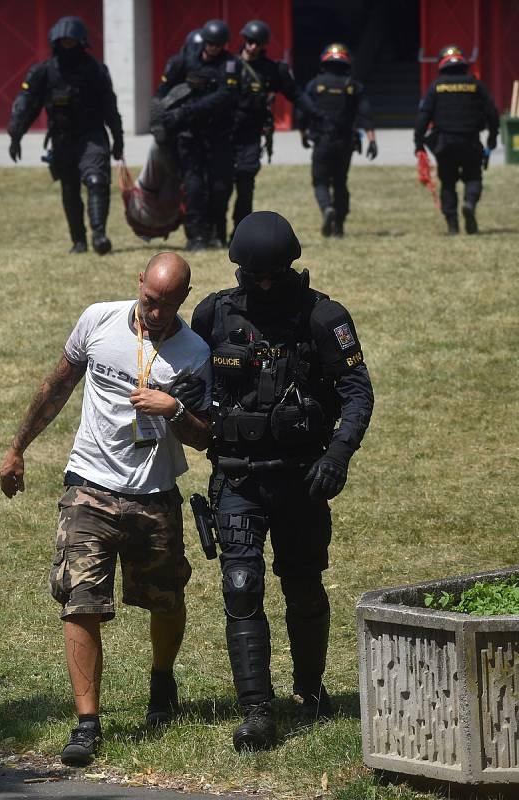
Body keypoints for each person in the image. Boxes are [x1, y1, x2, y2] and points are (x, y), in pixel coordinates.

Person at [0, 253, 212, 766]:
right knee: (81, 600)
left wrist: (175, 409)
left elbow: (207, 437)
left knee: (166, 599)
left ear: (184, 299)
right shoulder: (97, 320)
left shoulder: (194, 353)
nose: (155, 312)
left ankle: (162, 682)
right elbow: (58, 385)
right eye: (149, 299)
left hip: (154, 493)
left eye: (167, 304)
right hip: (89, 485)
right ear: (139, 283)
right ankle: (87, 724)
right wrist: (17, 447)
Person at [190, 211, 374, 751]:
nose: (266, 283)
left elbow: (358, 392)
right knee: (241, 588)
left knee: (304, 586)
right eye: (255, 274)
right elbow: (186, 379)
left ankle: (309, 690)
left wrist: (338, 453)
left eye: (275, 273)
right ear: (238, 268)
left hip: (301, 480)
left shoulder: (323, 317)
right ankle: (256, 712)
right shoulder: (213, 315)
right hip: (237, 478)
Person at [7, 16, 124, 255]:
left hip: (92, 136)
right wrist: (16, 134)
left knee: (96, 181)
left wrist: (118, 138)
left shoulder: (95, 70)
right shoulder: (44, 71)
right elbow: (28, 104)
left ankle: (99, 234)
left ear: (81, 42)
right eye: (63, 42)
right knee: (70, 190)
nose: (67, 46)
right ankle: (78, 240)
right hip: (62, 139)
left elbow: (109, 106)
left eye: (72, 42)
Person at [154, 19, 240, 251]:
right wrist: (164, 118)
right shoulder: (184, 61)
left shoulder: (230, 64)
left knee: (220, 187)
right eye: (210, 43)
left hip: (218, 135)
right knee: (193, 187)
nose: (213, 48)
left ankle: (217, 233)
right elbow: (162, 93)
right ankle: (196, 236)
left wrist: (187, 111)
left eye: (218, 44)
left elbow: (225, 95)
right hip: (189, 136)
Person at [230, 20, 320, 239]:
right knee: (219, 185)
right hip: (223, 133)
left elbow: (295, 94)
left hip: (250, 133)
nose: (252, 47)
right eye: (249, 42)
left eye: (257, 43)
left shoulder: (272, 70)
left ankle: (238, 231)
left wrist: (316, 113)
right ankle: (210, 232)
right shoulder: (228, 65)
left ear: (263, 45)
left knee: (245, 180)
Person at [414, 44, 499, 235]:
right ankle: (469, 203)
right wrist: (492, 137)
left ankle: (452, 224)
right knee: (473, 177)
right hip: (470, 141)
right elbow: (492, 113)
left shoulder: (437, 87)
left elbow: (423, 116)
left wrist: (418, 142)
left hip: (445, 143)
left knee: (448, 182)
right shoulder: (475, 85)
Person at [298, 43, 377, 237]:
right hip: (345, 143)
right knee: (341, 182)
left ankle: (326, 208)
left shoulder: (314, 85)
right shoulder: (353, 86)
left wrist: (303, 134)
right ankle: (339, 226)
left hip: (322, 141)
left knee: (320, 181)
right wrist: (372, 140)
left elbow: (302, 111)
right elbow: (366, 114)